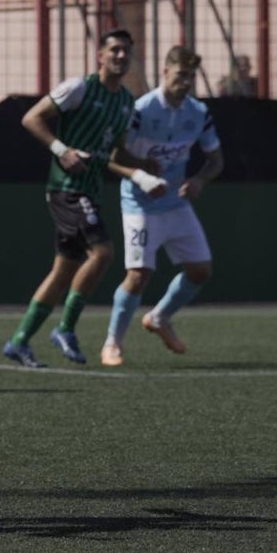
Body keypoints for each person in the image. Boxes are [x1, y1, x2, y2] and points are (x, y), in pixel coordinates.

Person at [2, 28, 167, 368]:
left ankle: (19, 341)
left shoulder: (124, 101)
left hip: (90, 190)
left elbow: (115, 154)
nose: (121, 56)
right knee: (103, 253)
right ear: (100, 55)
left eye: (126, 51)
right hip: (67, 188)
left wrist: (143, 164)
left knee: (62, 272)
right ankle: (65, 328)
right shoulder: (80, 87)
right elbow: (30, 118)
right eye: (115, 50)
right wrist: (62, 150)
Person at [101, 45, 224, 366]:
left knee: (200, 271)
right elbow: (112, 159)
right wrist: (141, 174)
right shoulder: (141, 110)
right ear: (165, 72)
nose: (186, 82)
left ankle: (159, 318)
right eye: (181, 75)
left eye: (191, 77)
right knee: (140, 273)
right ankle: (112, 343)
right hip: (139, 203)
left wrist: (199, 180)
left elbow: (215, 160)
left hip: (175, 204)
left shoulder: (197, 113)